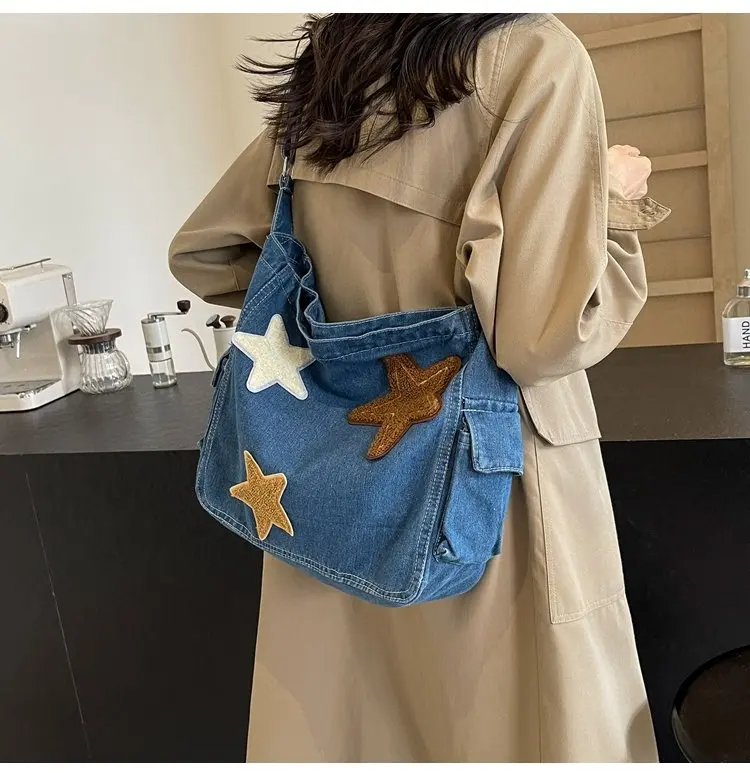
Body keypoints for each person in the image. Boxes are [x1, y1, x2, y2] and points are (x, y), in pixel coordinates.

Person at [169, 13, 670, 763]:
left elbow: (206, 253)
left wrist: (336, 333)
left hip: (327, 484)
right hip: (496, 488)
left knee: (349, 722)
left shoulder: (338, 63)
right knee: (522, 724)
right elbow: (542, 336)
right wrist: (613, 200)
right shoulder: (533, 57)